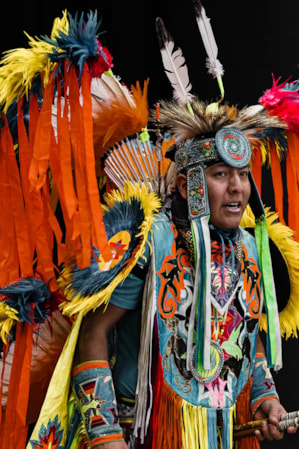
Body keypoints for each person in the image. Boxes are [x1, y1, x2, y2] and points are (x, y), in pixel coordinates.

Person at [55, 99, 298, 449]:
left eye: (243, 174)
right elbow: (95, 331)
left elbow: (248, 331)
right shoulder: (150, 242)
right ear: (187, 187)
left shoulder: (250, 247)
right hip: (145, 433)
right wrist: (104, 435)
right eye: (220, 174)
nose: (237, 187)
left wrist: (265, 399)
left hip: (222, 434)